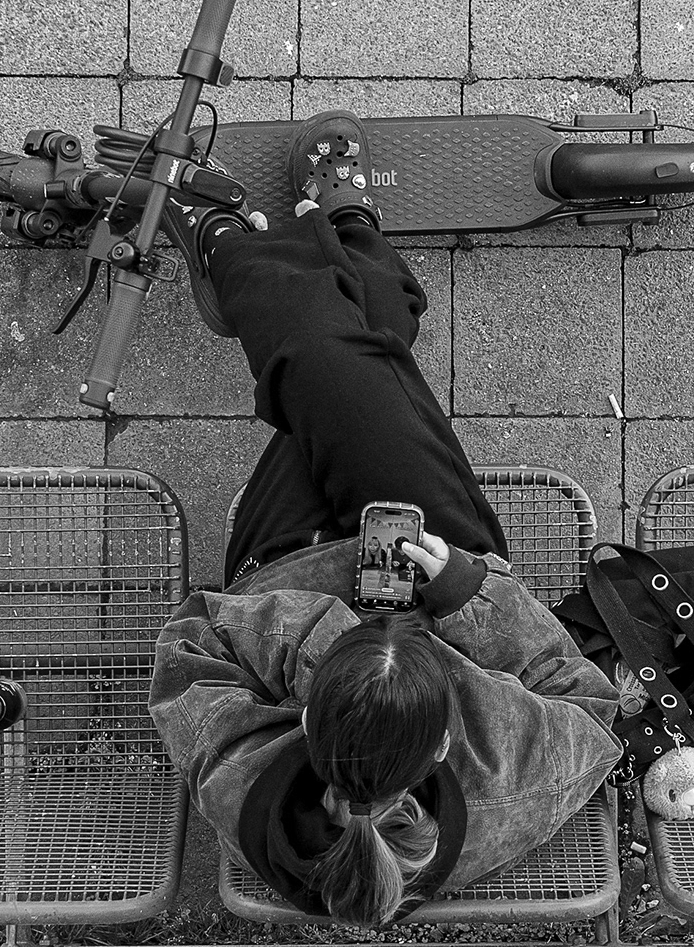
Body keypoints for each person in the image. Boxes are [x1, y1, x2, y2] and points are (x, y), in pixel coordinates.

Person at [148, 111, 622, 927]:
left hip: (287, 559)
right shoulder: (506, 780)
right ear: (446, 741)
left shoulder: (247, 789)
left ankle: (284, 236)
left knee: (343, 374)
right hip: (439, 549)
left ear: (306, 724)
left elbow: (191, 648)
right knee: (361, 365)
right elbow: (592, 705)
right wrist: (464, 590)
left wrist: (320, 637)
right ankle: (260, 242)